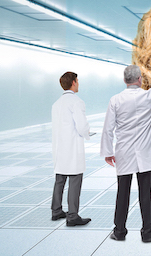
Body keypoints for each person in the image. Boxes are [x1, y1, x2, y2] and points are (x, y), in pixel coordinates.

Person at [101, 62, 151, 242]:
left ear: (124, 80)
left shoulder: (115, 100)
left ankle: (119, 231)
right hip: (144, 154)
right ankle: (147, 232)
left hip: (124, 153)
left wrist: (107, 151)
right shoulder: (149, 96)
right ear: (139, 79)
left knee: (123, 193)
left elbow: (108, 129)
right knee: (145, 194)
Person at [51, 71, 92, 226]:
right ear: (74, 82)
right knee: (75, 180)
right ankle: (72, 216)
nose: (78, 83)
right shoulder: (76, 102)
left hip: (59, 147)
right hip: (72, 148)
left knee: (60, 180)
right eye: (78, 81)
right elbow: (81, 126)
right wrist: (87, 133)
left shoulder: (56, 104)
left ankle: (56, 211)